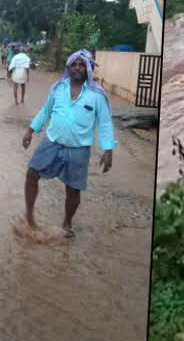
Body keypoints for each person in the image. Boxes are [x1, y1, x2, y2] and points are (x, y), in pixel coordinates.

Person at [21, 49, 116, 237]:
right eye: (74, 64)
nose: (78, 68)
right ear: (69, 67)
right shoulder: (58, 88)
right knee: (32, 174)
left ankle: (67, 222)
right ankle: (30, 217)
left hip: (79, 148)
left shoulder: (97, 95)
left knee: (73, 189)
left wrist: (108, 150)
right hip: (52, 141)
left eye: (82, 65)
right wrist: (31, 130)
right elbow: (46, 111)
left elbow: (105, 123)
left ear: (88, 68)